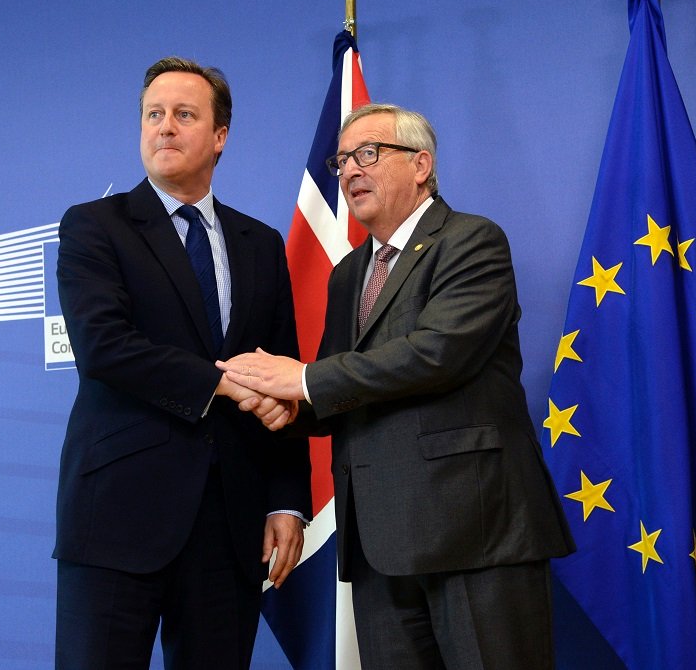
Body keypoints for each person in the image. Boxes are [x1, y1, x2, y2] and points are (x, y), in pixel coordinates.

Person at [219, 103, 575, 670]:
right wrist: (289, 408)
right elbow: (343, 389)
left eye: (369, 154)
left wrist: (303, 379)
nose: (350, 171)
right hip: (377, 544)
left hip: (473, 534)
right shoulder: (349, 273)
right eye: (342, 161)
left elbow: (437, 354)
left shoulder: (471, 241)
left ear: (421, 165)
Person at [52, 56, 311, 670]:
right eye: (153, 114)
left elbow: (284, 376)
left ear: (220, 137)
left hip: (230, 525)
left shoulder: (261, 244)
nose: (164, 127)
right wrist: (225, 384)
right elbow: (103, 347)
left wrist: (284, 501)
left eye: (184, 115)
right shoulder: (95, 226)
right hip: (118, 518)